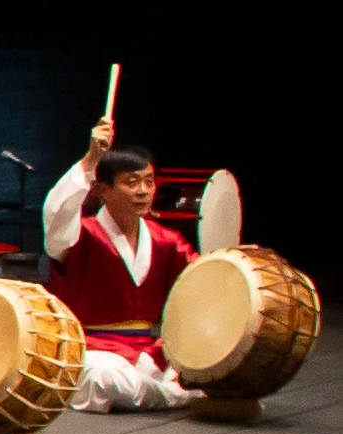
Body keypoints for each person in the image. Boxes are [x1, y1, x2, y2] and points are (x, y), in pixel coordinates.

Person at [43, 118, 228, 411]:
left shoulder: (166, 240)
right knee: (105, 381)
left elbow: (202, 277)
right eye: (132, 182)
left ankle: (167, 391)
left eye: (149, 182)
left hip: (149, 353)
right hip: (94, 350)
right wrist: (91, 159)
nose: (143, 190)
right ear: (103, 189)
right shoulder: (78, 237)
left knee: (213, 366)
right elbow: (57, 212)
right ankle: (178, 395)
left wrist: (236, 264)